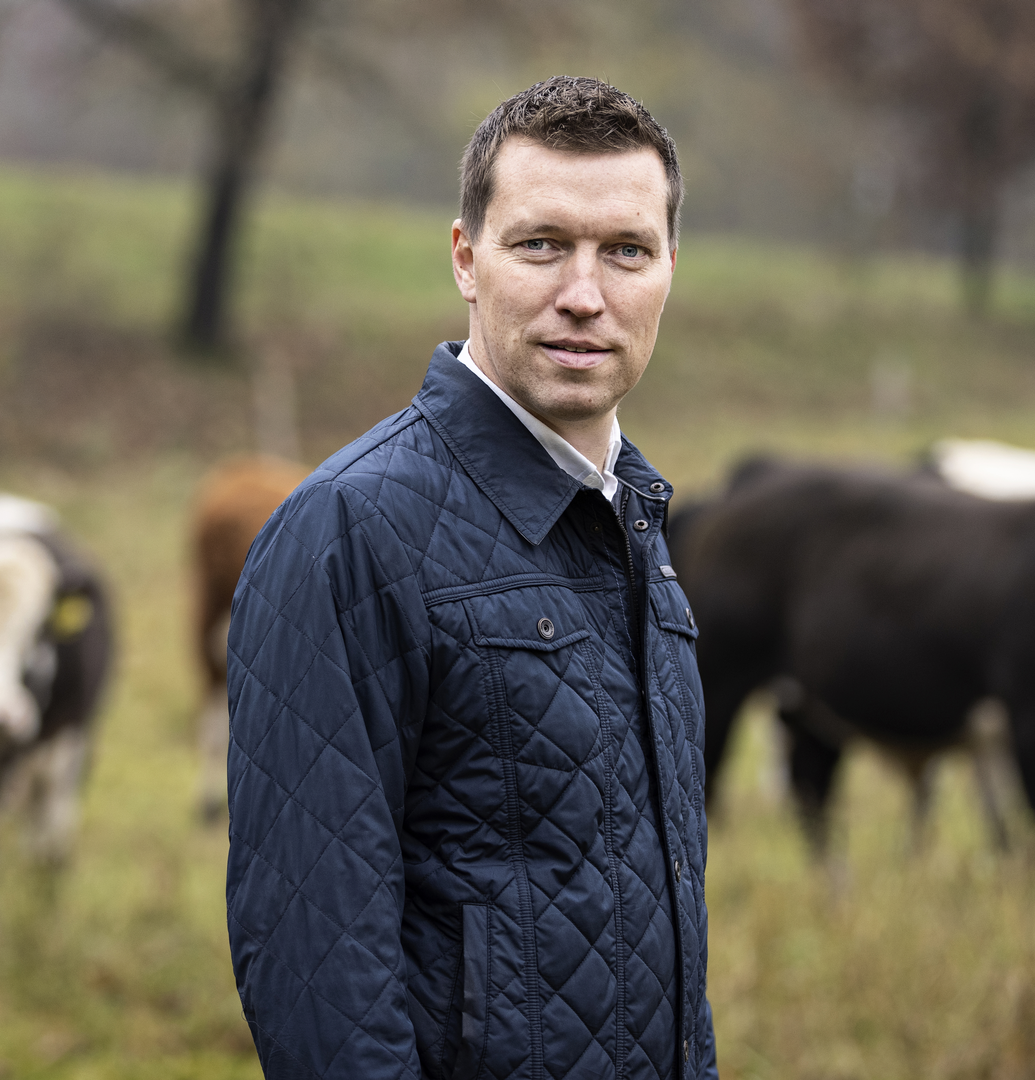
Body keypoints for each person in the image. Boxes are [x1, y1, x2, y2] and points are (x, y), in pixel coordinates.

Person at [226, 75, 717, 1080]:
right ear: (466, 258)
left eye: (626, 250)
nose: (584, 294)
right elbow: (316, 961)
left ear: (670, 267)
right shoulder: (349, 529)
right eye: (541, 244)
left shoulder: (634, 520)